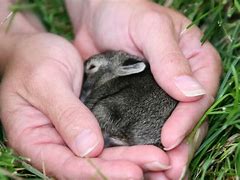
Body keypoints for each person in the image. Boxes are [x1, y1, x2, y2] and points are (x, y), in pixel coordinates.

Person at [0, 0, 221, 179]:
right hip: (146, 129)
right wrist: (13, 46)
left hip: (130, 124)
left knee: (105, 111)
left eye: (92, 68)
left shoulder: (117, 87)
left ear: (125, 69)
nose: (88, 76)